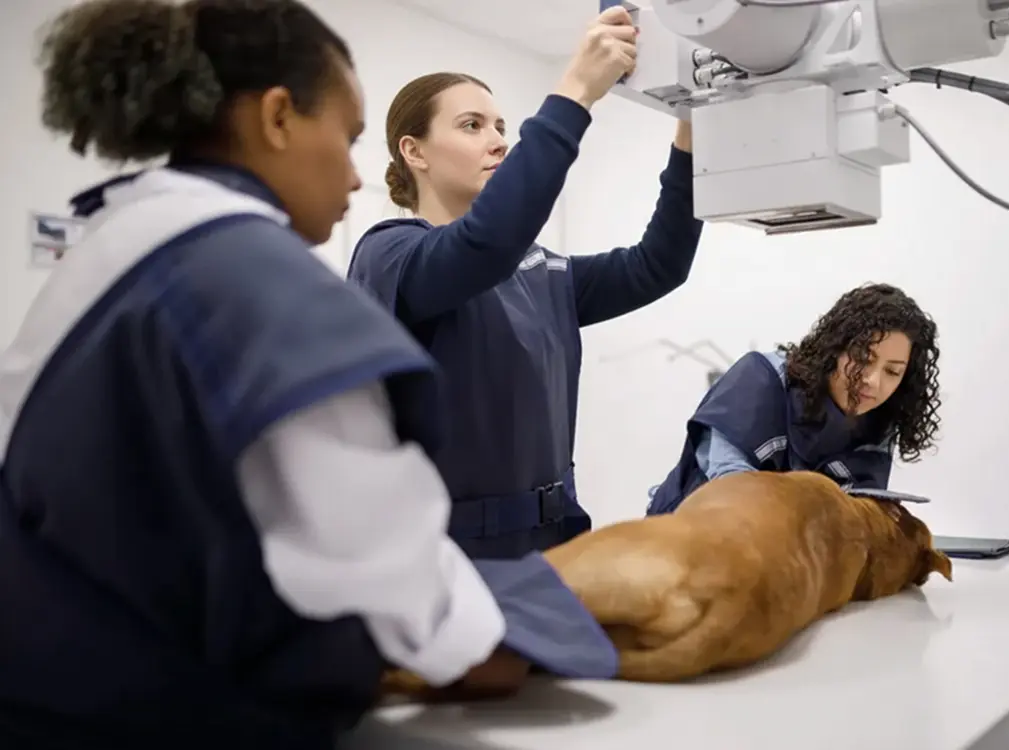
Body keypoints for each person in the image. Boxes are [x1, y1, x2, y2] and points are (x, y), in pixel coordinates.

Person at [0, 1, 614, 747]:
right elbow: (414, 602)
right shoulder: (254, 279)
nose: (359, 177)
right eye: (351, 138)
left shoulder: (117, 245)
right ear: (279, 118)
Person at [347, 6, 705, 560]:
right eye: (472, 126)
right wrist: (575, 93)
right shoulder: (390, 254)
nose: (496, 141)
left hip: (556, 545)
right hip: (451, 561)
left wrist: (692, 125)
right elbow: (482, 246)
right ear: (413, 151)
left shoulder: (539, 272)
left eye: (500, 129)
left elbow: (658, 264)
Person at [646, 283, 942, 515]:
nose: (874, 381)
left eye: (893, 371)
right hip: (682, 540)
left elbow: (862, 513)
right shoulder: (760, 379)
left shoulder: (878, 419)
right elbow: (732, 488)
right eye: (863, 358)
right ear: (836, 347)